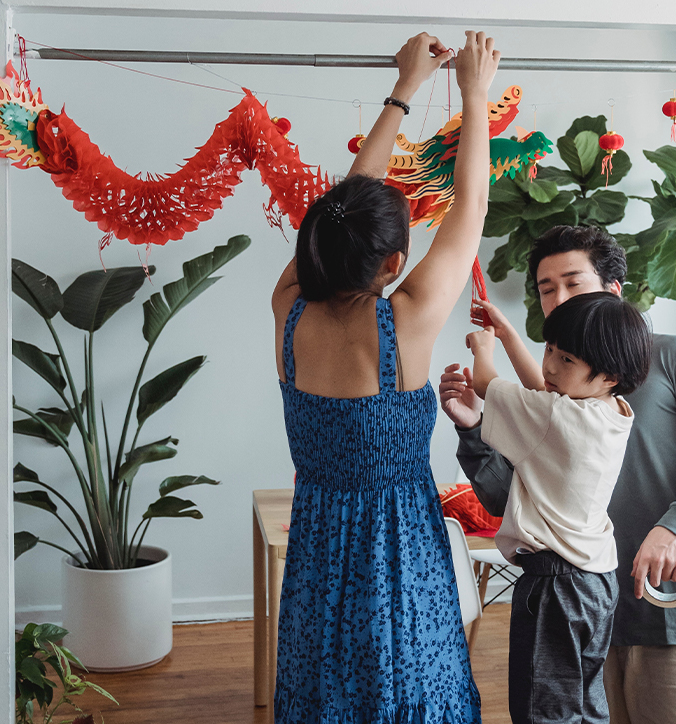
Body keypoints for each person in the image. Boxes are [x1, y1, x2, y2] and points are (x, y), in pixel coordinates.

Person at [270, 31, 499, 724]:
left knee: (324, 686)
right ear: (393, 263)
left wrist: (405, 92)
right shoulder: (406, 319)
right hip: (398, 544)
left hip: (317, 540)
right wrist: (474, 92)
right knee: (409, 685)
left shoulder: (289, 307)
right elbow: (471, 208)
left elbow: (341, 208)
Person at [441, 225, 676, 724]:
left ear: (614, 291)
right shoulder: (553, 397)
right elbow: (506, 497)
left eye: (573, 283)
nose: (559, 299)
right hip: (585, 618)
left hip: (675, 616)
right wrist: (473, 430)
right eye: (547, 290)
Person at [463, 291, 650, 724]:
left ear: (608, 374)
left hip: (555, 586)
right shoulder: (612, 411)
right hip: (596, 582)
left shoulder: (557, 417)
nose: (549, 365)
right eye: (549, 349)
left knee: (543, 712)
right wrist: (510, 336)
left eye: (566, 360)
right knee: (584, 704)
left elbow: (486, 384)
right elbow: (546, 398)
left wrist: (485, 349)